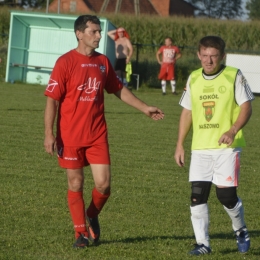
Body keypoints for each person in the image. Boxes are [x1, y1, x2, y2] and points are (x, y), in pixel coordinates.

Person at [44, 15, 164, 249]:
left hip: (97, 135)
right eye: (94, 32)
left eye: (99, 31)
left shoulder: (102, 62)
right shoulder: (65, 62)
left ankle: (91, 213)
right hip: (69, 136)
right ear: (80, 34)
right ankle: (80, 233)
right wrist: (48, 133)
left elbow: (118, 89)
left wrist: (144, 108)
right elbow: (52, 101)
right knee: (76, 183)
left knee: (104, 185)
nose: (99, 36)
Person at [174, 36, 254, 256]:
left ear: (222, 56)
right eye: (205, 55)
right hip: (200, 148)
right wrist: (180, 144)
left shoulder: (233, 76)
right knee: (197, 196)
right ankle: (203, 243)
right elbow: (187, 112)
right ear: (199, 55)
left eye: (214, 56)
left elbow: (247, 107)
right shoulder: (193, 78)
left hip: (227, 148)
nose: (209, 60)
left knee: (226, 197)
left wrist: (232, 129)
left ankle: (240, 230)